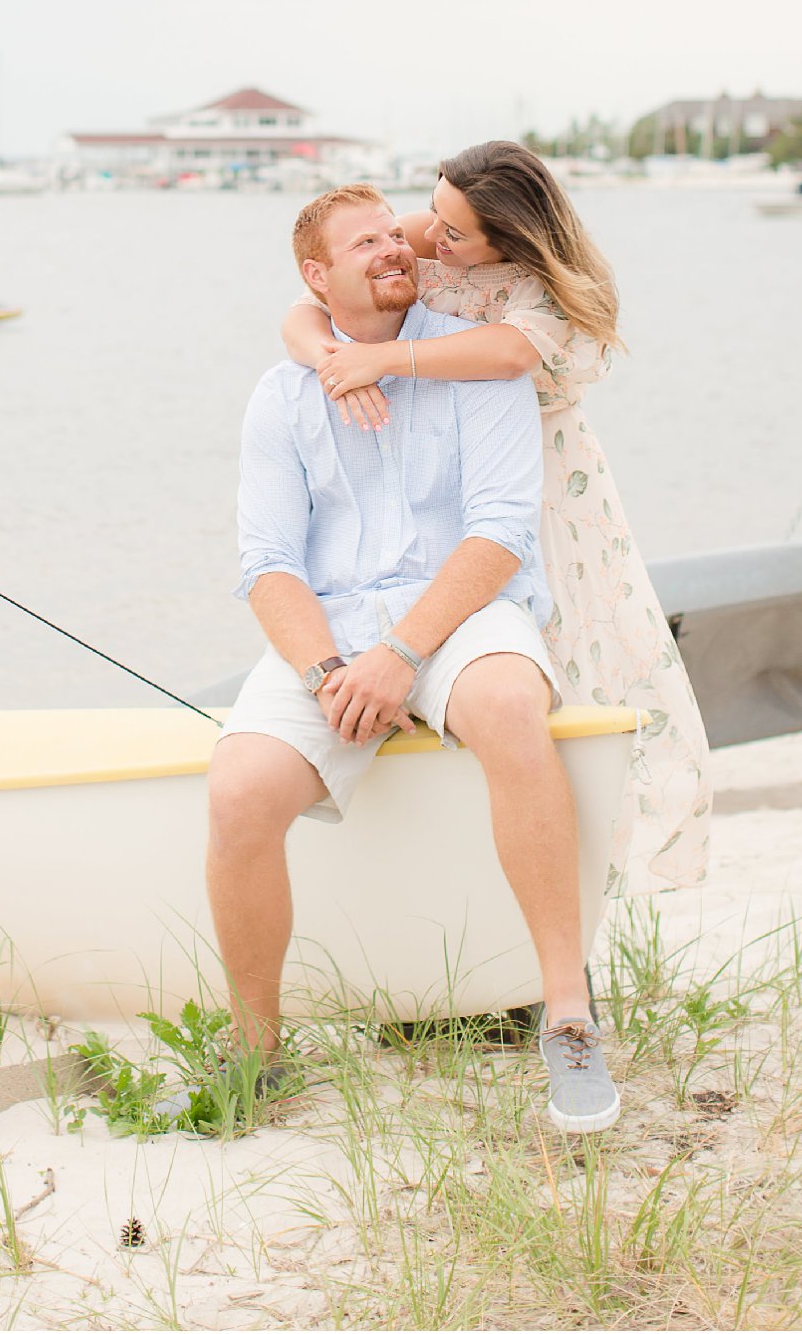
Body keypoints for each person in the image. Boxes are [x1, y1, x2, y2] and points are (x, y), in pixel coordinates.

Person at [208, 183, 620, 1134]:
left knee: (513, 708)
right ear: (318, 277)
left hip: (462, 609)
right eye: (365, 242)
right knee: (236, 793)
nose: (393, 247)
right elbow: (268, 565)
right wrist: (326, 674)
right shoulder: (281, 393)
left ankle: (566, 1016)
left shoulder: (474, 364)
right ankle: (256, 1046)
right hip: (336, 631)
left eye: (397, 232)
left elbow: (501, 536)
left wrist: (401, 654)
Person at [281, 141, 710, 894]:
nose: (429, 240)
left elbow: (508, 353)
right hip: (436, 475)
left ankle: (564, 893)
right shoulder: (434, 225)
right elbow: (305, 305)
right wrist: (330, 361)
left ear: (507, 239)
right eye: (435, 213)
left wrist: (381, 363)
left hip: (537, 490)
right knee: (442, 665)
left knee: (554, 673)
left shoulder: (550, 291)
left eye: (452, 234)